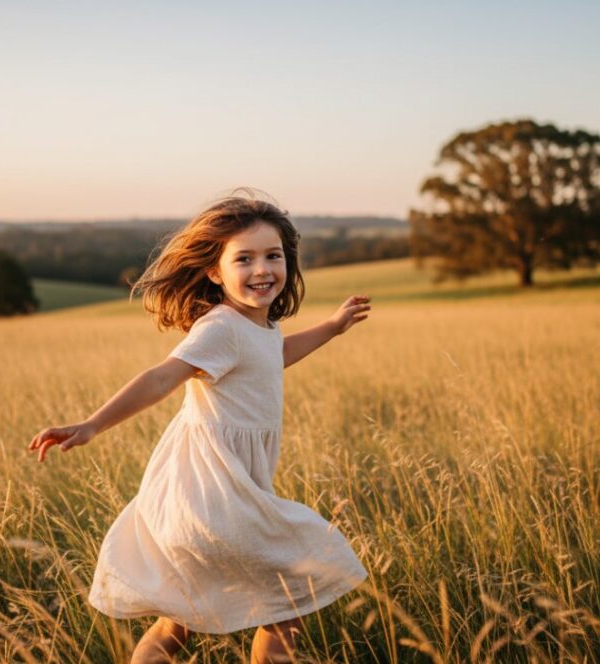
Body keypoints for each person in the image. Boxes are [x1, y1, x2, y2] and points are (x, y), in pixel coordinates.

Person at [28, 192, 371, 663]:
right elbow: (162, 376)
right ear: (215, 271)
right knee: (288, 600)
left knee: (180, 619)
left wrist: (331, 327)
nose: (262, 269)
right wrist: (92, 424)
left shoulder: (259, 329)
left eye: (273, 256)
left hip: (200, 502)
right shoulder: (222, 328)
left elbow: (275, 357)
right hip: (215, 499)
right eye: (244, 259)